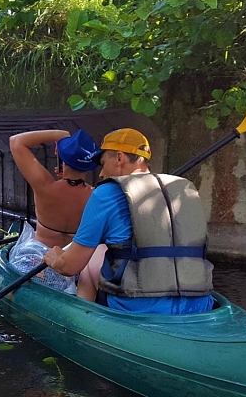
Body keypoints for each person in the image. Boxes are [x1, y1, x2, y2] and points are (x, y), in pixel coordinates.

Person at [42, 128, 215, 314]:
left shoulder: (105, 193)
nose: (101, 174)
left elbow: (70, 266)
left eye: (103, 163)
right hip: (200, 302)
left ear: (119, 158)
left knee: (91, 257)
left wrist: (56, 260)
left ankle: (84, 320)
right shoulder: (182, 189)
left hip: (138, 306)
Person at [6, 129, 99, 294]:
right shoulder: (97, 196)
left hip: (37, 257)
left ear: (63, 159)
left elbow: (16, 142)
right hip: (74, 262)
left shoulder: (45, 186)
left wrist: (58, 135)